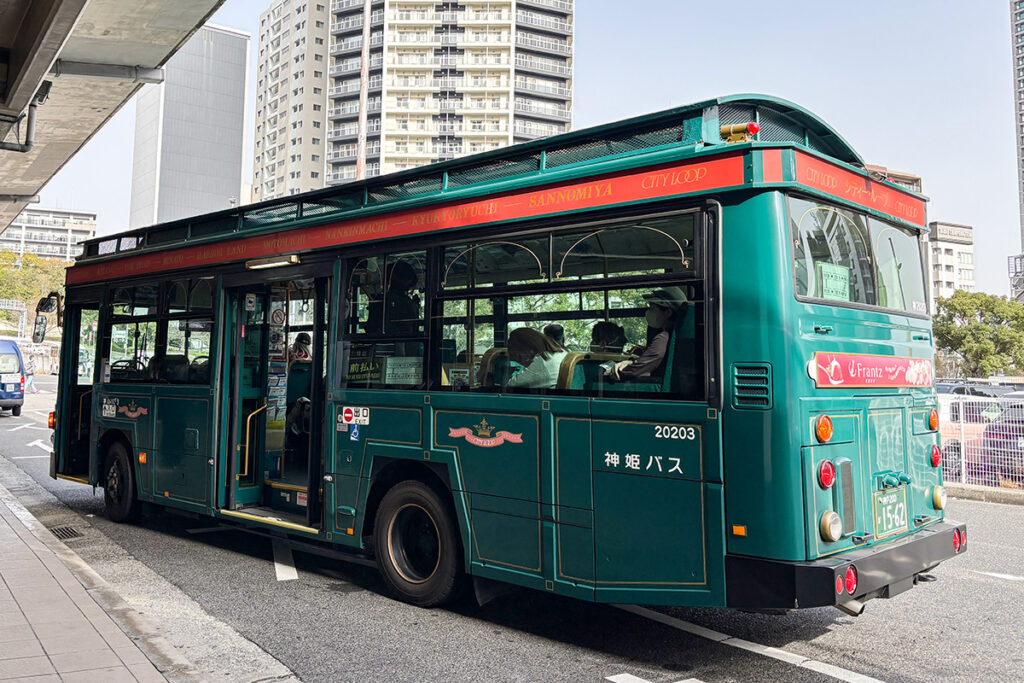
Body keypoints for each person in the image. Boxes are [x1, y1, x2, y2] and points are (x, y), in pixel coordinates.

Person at [606, 287, 688, 380]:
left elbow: (636, 370)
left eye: (652, 308)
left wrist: (613, 371)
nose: (648, 312)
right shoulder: (671, 336)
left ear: (668, 312)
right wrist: (632, 362)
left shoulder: (663, 338)